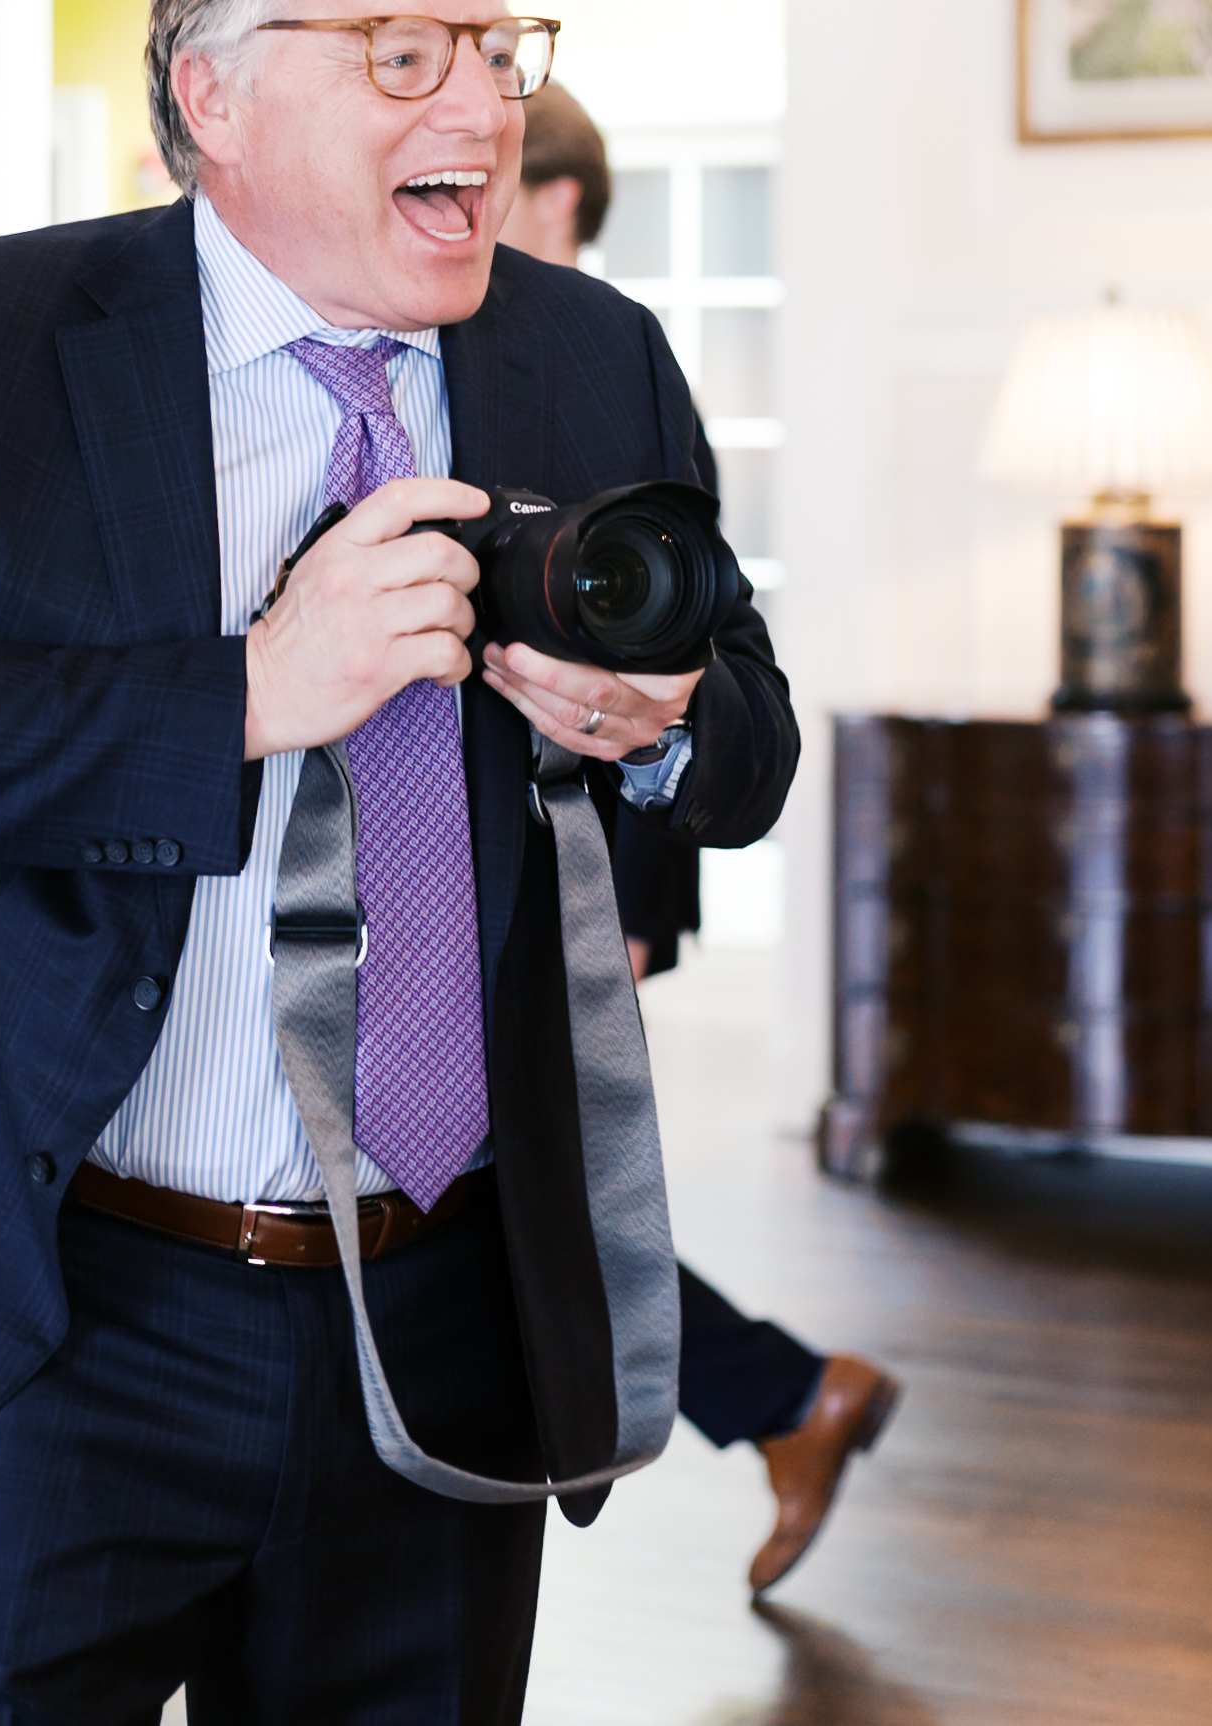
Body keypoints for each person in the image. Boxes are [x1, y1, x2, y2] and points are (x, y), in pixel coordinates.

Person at [0, 0, 799, 1725]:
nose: (482, 99)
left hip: (439, 1310)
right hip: (57, 1305)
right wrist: (243, 696)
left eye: (495, 46)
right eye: (402, 50)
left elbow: (748, 736)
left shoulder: (594, 352)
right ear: (215, 94)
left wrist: (662, 718)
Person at [500, 80, 901, 1597]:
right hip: (573, 852)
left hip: (604, 848)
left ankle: (789, 1393)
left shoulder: (597, 366)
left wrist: (645, 896)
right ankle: (790, 1396)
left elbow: (678, 649)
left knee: (549, 1184)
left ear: (558, 202)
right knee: (549, 1182)